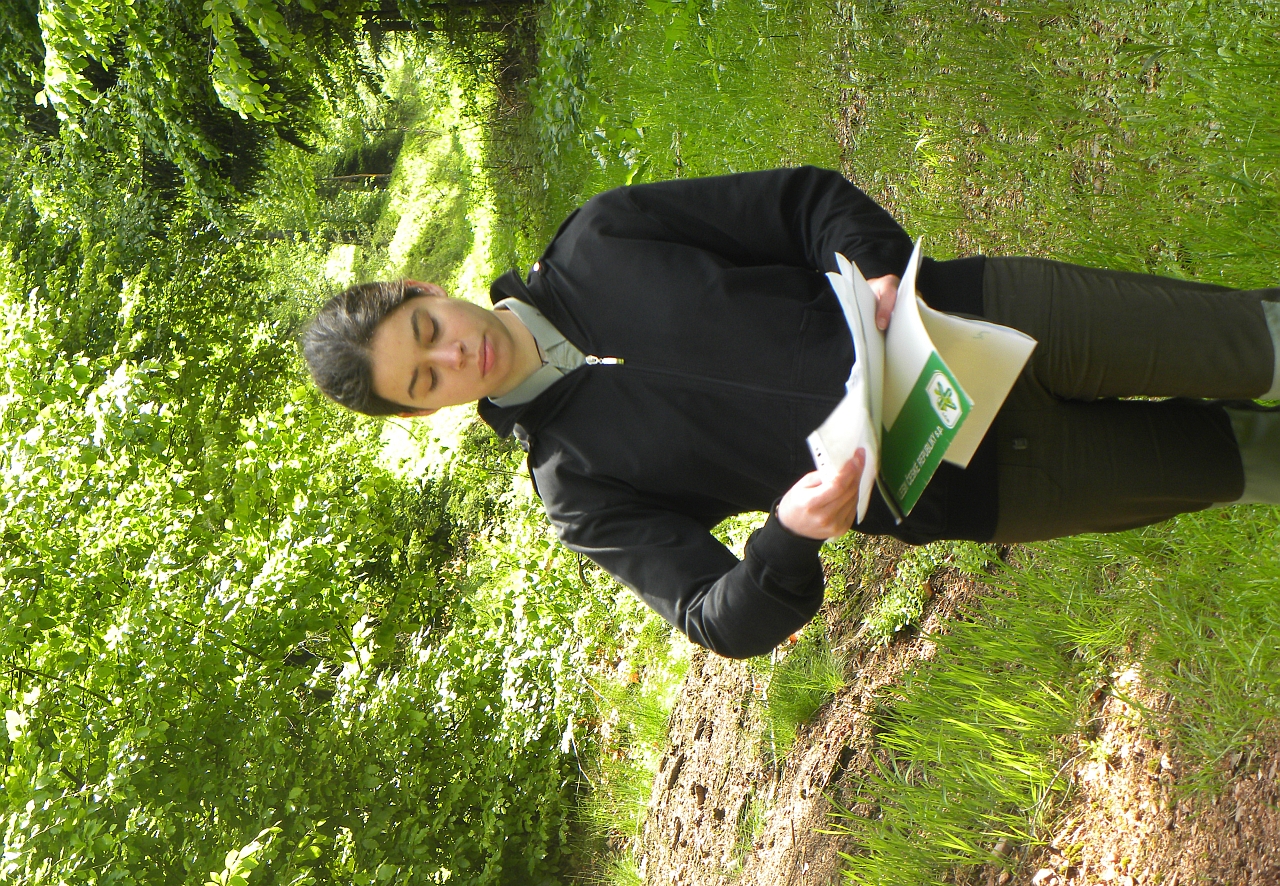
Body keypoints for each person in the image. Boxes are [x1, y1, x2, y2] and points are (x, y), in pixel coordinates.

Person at [302, 166, 1280, 660]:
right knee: (1240, 464)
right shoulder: (576, 490)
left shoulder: (604, 236)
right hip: (981, 482)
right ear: (421, 412)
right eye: (423, 379)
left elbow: (803, 204)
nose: (451, 356)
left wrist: (879, 271)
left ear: (423, 288)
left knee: (1253, 344)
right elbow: (710, 617)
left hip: (981, 318)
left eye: (426, 329)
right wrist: (787, 536)